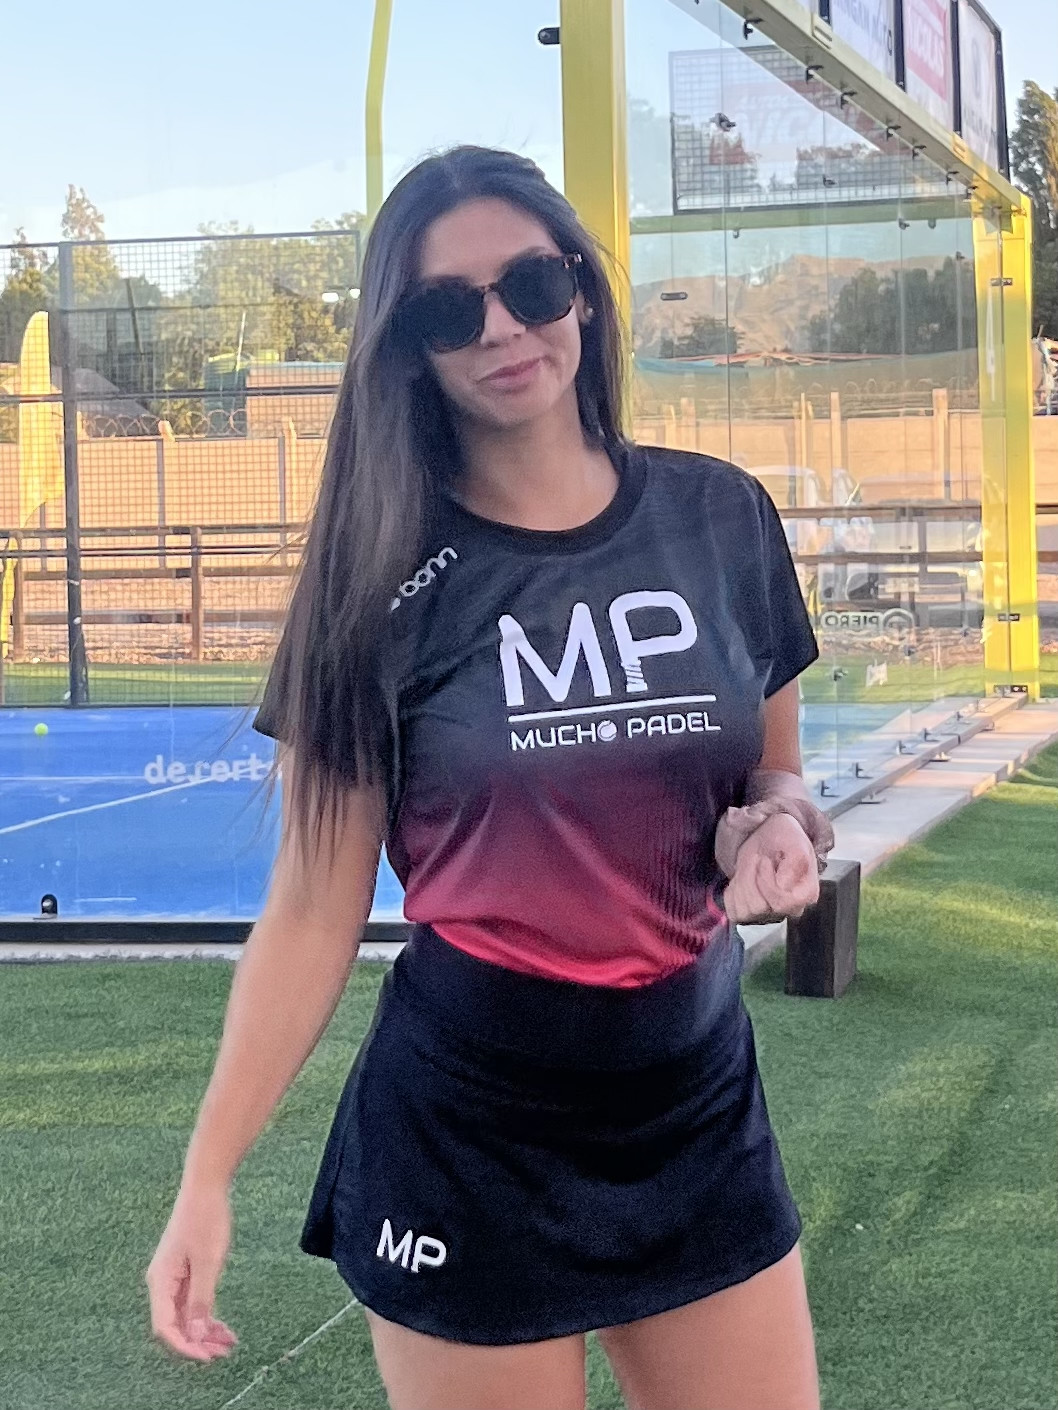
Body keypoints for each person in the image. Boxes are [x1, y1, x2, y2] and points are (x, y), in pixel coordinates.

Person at [145, 146, 834, 1410]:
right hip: (468, 1136)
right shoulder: (373, 585)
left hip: (694, 1102)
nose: (503, 328)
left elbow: (772, 780)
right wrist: (207, 1176)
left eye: (530, 283)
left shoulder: (720, 517)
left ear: (580, 289)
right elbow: (311, 910)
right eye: (445, 310)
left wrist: (777, 827)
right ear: (405, 347)